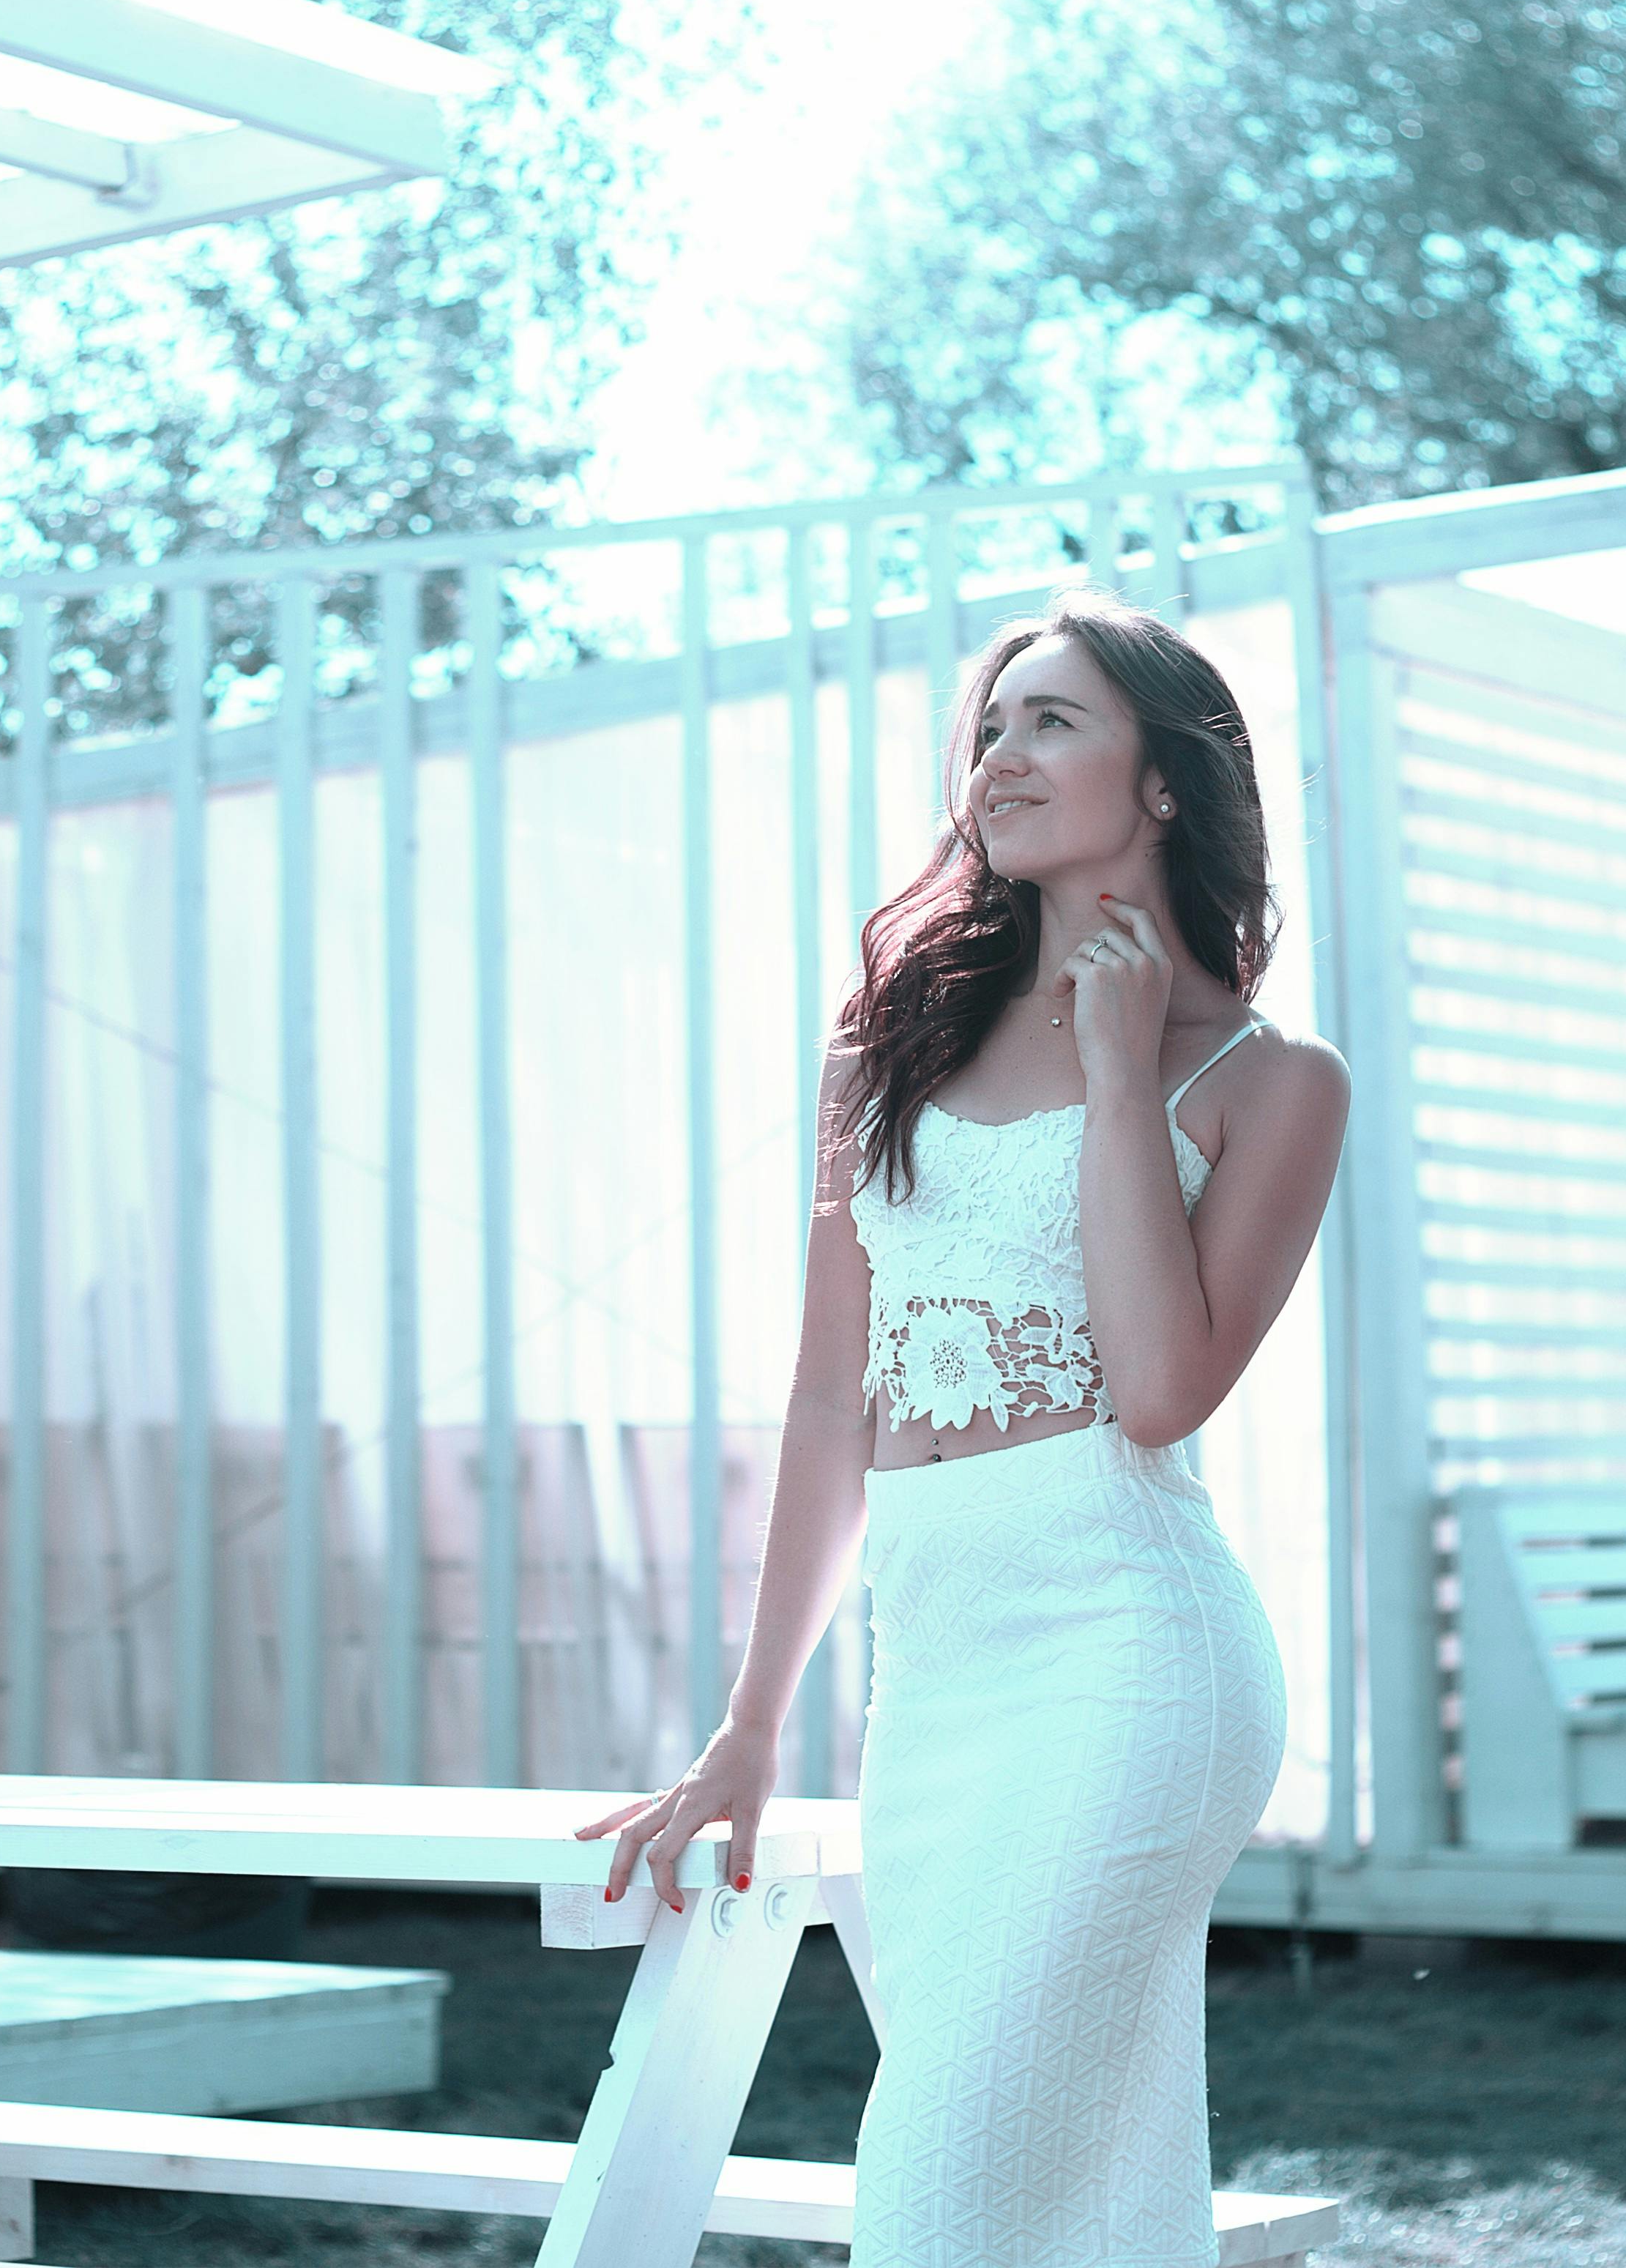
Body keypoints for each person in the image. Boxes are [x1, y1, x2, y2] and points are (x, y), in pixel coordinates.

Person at [579, 587, 1352, 2267]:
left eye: (1052, 720)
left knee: (938, 2175)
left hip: (1129, 1654)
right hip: (928, 1671)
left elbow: (1161, 1390)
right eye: (992, 725)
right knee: (1077, 2188)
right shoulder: (890, 1041)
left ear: (1164, 782)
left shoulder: (1268, 1076)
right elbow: (822, 1396)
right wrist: (750, 1721)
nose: (999, 754)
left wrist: (1121, 1054)